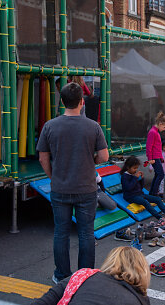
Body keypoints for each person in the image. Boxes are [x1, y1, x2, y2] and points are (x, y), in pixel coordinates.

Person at [37, 82, 109, 284]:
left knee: (61, 232)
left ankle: (61, 276)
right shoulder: (93, 126)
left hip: (60, 188)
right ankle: (84, 277)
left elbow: (43, 158)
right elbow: (104, 156)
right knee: (86, 233)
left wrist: (54, 177)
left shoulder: (50, 126)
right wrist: (90, 160)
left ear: (62, 101)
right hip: (86, 187)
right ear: (81, 102)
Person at [32, 246, 151, 305]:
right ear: (143, 271)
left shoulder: (84, 275)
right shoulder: (138, 300)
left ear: (110, 261)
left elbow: (46, 300)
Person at [120, 156, 165, 225]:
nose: (135, 170)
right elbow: (128, 188)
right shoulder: (124, 176)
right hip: (130, 196)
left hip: (139, 194)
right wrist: (135, 178)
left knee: (157, 199)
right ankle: (159, 218)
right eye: (134, 168)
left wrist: (142, 179)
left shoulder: (133, 175)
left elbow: (141, 187)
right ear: (128, 167)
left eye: (136, 168)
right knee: (145, 202)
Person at [146, 112, 165, 196]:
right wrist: (150, 159)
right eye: (164, 127)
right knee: (160, 174)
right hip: (154, 158)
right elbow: (149, 147)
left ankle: (152, 193)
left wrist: (160, 157)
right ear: (160, 124)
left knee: (158, 174)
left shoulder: (156, 132)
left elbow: (157, 147)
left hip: (156, 157)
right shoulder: (153, 132)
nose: (164, 129)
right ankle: (154, 193)